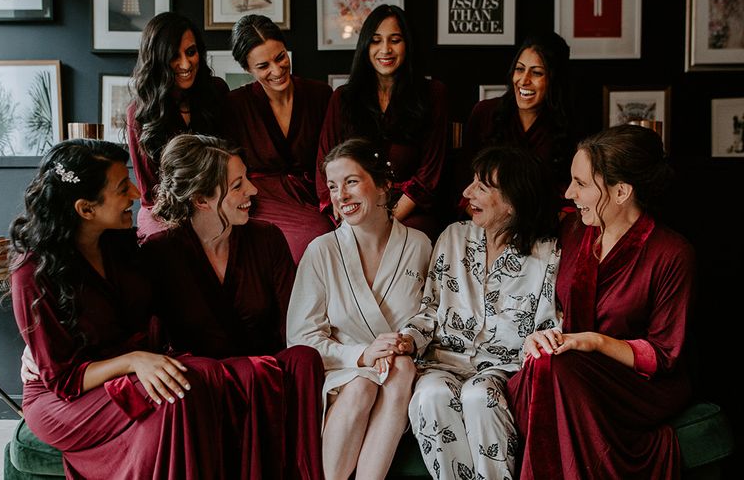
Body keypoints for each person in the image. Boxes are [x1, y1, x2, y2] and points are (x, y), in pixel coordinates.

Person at [9, 139, 244, 479]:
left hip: (126, 374)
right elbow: (63, 379)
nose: (136, 193)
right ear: (86, 209)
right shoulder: (32, 272)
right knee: (178, 394)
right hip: (65, 401)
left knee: (199, 378)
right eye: (123, 188)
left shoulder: (121, 244)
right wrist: (133, 361)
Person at [507, 125, 695, 480]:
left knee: (555, 370)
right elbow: (550, 311)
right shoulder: (573, 231)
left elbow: (663, 355)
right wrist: (540, 336)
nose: (568, 192)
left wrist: (592, 341)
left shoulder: (672, 254)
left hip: (639, 385)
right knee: (546, 366)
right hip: (571, 369)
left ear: (621, 191)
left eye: (580, 184)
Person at [145, 133, 324, 479]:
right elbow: (137, 327)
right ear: (201, 198)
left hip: (266, 374)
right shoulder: (158, 253)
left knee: (305, 358)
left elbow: (297, 321)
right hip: (203, 386)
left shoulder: (268, 238)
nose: (254, 191)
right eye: (238, 185)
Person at [397, 146, 560, 480]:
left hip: (503, 369)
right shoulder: (453, 237)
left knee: (479, 396)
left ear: (515, 199)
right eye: (472, 182)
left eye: (482, 187)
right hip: (442, 361)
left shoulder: (547, 253)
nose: (467, 192)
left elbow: (546, 324)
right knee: (431, 394)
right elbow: (429, 309)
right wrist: (408, 340)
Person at [287, 138, 432, 480]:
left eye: (351, 182)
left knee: (402, 371)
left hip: (400, 371)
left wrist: (408, 340)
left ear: (383, 185)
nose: (341, 195)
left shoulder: (420, 245)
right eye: (334, 187)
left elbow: (432, 314)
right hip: (341, 372)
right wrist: (362, 356)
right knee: (363, 385)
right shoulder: (321, 251)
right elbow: (301, 340)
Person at [316, 5, 449, 241]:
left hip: (409, 208)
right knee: (335, 244)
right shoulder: (343, 98)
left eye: (395, 40)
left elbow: (430, 174)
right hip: (352, 204)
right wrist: (346, 213)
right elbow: (325, 163)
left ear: (407, 44)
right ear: (366, 46)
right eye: (376, 41)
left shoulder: (432, 94)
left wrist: (387, 220)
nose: (385, 49)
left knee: (410, 239)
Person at [225, 13, 333, 262]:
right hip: (259, 201)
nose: (277, 70)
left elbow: (331, 155)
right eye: (263, 66)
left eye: (280, 57)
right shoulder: (234, 105)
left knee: (330, 239)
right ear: (247, 69)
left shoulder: (321, 96)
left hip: (314, 195)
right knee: (305, 240)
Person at [127, 11, 228, 238]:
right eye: (174, 56)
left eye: (191, 52)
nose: (185, 63)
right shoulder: (139, 114)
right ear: (157, 61)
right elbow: (150, 195)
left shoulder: (217, 92)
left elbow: (229, 158)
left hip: (215, 201)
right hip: (164, 210)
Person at [462, 32, 574, 201]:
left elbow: (570, 193)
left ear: (554, 79)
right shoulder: (485, 112)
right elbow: (462, 179)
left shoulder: (569, 123)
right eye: (520, 69)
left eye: (536, 73)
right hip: (486, 218)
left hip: (545, 221)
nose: (523, 80)